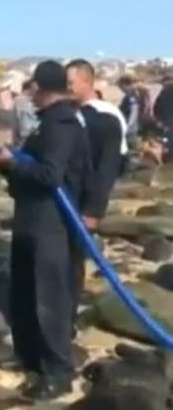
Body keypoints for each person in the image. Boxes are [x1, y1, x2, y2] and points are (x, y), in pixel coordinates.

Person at [0, 60, 91, 399]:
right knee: (24, 292)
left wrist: (10, 162)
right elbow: (27, 171)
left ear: (40, 88)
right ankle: (30, 358)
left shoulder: (63, 125)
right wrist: (2, 164)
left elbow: (49, 176)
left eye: (33, 88)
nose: (31, 94)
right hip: (30, 217)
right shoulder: (45, 124)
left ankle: (58, 372)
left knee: (48, 299)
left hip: (51, 225)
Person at [65, 58, 127, 333]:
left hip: (84, 201)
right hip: (68, 197)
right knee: (64, 257)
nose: (66, 88)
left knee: (72, 259)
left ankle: (66, 318)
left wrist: (93, 209)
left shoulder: (104, 116)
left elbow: (109, 167)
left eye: (70, 83)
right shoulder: (77, 113)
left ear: (87, 82)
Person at [13, 79, 39, 144]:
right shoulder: (22, 99)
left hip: (21, 134)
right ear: (28, 89)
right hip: (25, 134)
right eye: (33, 89)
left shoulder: (17, 99)